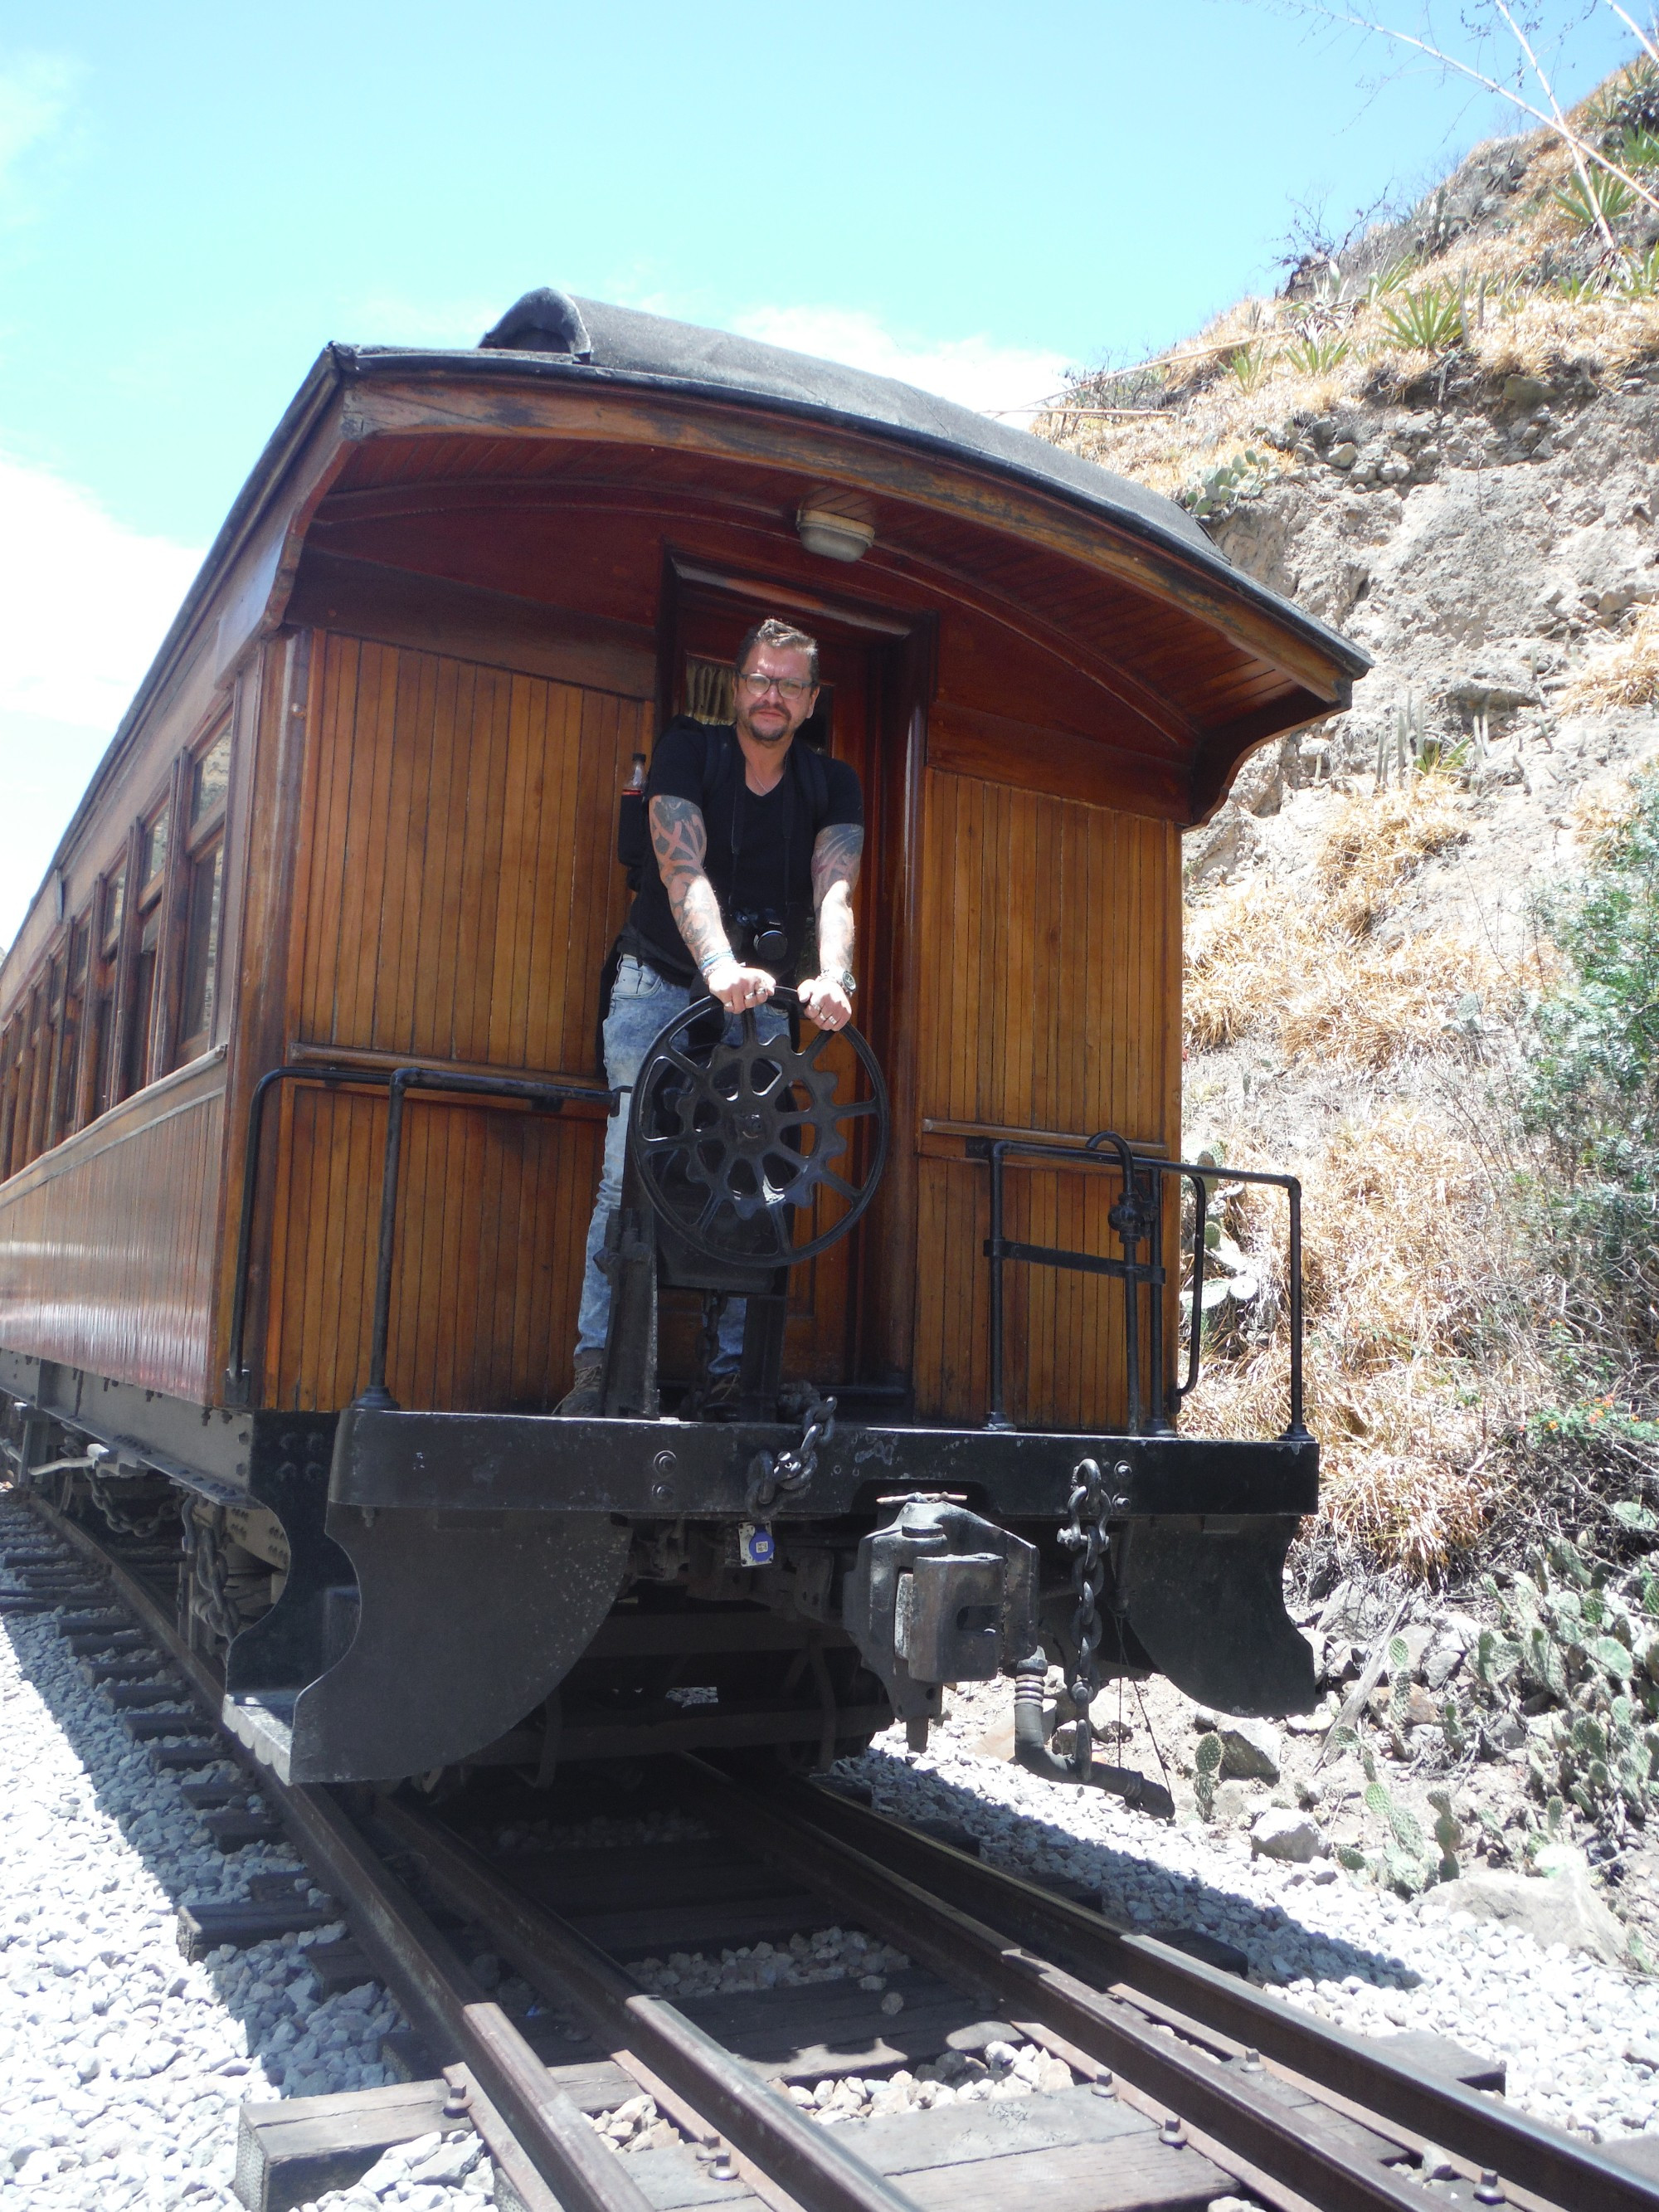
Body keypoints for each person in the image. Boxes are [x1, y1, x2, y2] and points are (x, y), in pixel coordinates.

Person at [559, 616, 864, 1415]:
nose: (773, 695)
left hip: (759, 1000)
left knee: (753, 1175)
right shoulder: (689, 752)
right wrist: (719, 963)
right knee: (627, 1172)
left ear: (809, 700)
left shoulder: (831, 783)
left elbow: (834, 888)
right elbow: (680, 867)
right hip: (658, 980)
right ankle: (604, 1370)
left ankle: (734, 1376)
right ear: (737, 686)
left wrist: (834, 976)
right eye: (761, 678)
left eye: (790, 684)